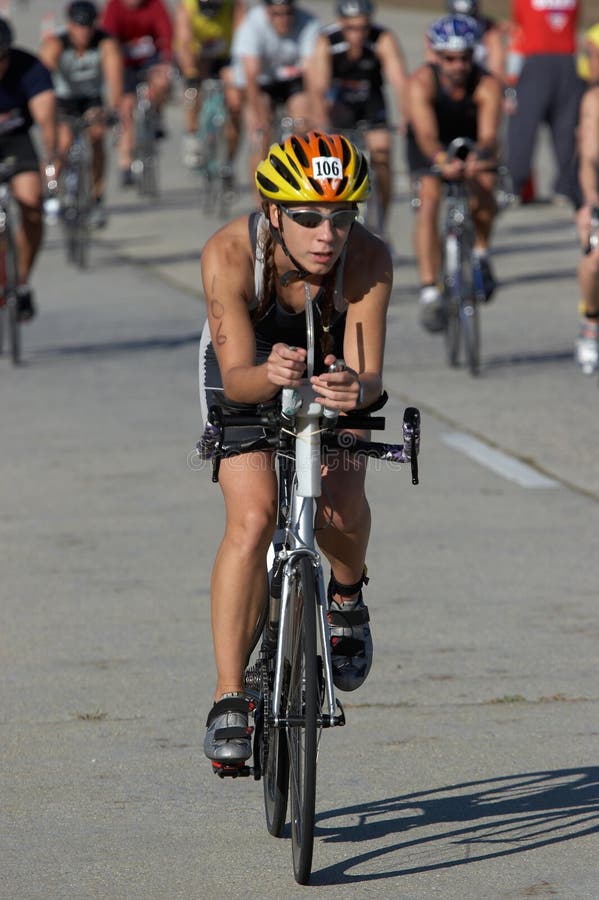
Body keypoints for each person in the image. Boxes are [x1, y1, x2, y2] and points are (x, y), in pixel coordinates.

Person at [198, 131, 391, 772]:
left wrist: (349, 387)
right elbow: (235, 380)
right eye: (307, 217)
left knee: (339, 498)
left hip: (332, 368)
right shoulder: (229, 253)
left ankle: (346, 599)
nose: (326, 234)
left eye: (341, 217)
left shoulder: (367, 259)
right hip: (248, 370)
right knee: (252, 516)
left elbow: (370, 376)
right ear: (273, 210)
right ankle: (230, 695)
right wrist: (271, 372)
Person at [407, 14, 502, 332]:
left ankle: (481, 253)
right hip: (430, 142)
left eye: (464, 58)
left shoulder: (486, 84)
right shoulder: (421, 82)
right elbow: (424, 135)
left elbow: (489, 134)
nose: (458, 66)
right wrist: (439, 158)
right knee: (429, 200)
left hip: (469, 140)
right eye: (449, 58)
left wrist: (479, 155)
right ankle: (430, 289)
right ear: (436, 55)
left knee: (486, 184)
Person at [307, 0, 409, 242]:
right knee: (336, 160)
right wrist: (321, 120)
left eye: (363, 27)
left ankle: (381, 219)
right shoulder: (327, 41)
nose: (358, 34)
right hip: (340, 104)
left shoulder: (382, 38)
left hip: (371, 101)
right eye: (351, 28)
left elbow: (400, 80)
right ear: (341, 23)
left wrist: (407, 115)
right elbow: (317, 86)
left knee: (382, 151)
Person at [40, 0, 123, 228]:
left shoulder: (105, 43)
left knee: (97, 137)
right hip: (62, 100)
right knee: (63, 142)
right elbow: (41, 78)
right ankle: (51, 189)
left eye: (88, 26)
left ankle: (96, 198)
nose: (83, 32)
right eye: (78, 26)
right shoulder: (57, 43)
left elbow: (114, 78)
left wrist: (112, 109)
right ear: (69, 25)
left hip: (91, 99)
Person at [0, 17, 57, 322]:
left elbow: (46, 119)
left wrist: (50, 162)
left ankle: (21, 281)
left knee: (32, 204)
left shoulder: (29, 67)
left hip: (16, 142)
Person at [231, 0, 321, 192]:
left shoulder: (309, 23)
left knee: (304, 123)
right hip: (261, 82)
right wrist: (258, 117)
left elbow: (312, 73)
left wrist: (316, 112)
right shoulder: (252, 25)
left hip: (292, 81)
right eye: (276, 14)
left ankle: (303, 183)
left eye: (288, 13)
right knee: (260, 135)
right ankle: (261, 199)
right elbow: (251, 76)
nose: (283, 19)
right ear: (267, 12)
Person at [506, 0, 584, 206]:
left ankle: (515, 186)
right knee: (565, 129)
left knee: (523, 127)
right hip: (568, 61)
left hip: (535, 59)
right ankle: (565, 188)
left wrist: (511, 80)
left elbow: (519, 32)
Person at [101, 0, 173, 186]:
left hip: (149, 60)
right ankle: (125, 163)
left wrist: (165, 60)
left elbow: (165, 33)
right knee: (125, 109)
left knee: (161, 81)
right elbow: (108, 38)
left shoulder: (154, 5)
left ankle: (156, 114)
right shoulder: (114, 7)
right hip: (124, 63)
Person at [174, 0, 245, 170]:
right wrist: (190, 73)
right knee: (192, 89)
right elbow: (184, 42)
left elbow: (243, 36)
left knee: (235, 103)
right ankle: (192, 135)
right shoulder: (188, 6)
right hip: (196, 55)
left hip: (225, 57)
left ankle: (229, 161)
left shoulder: (234, 5)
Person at [574, 24, 599, 375]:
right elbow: (589, 160)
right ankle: (592, 322)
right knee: (595, 262)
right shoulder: (593, 100)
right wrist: (592, 201)